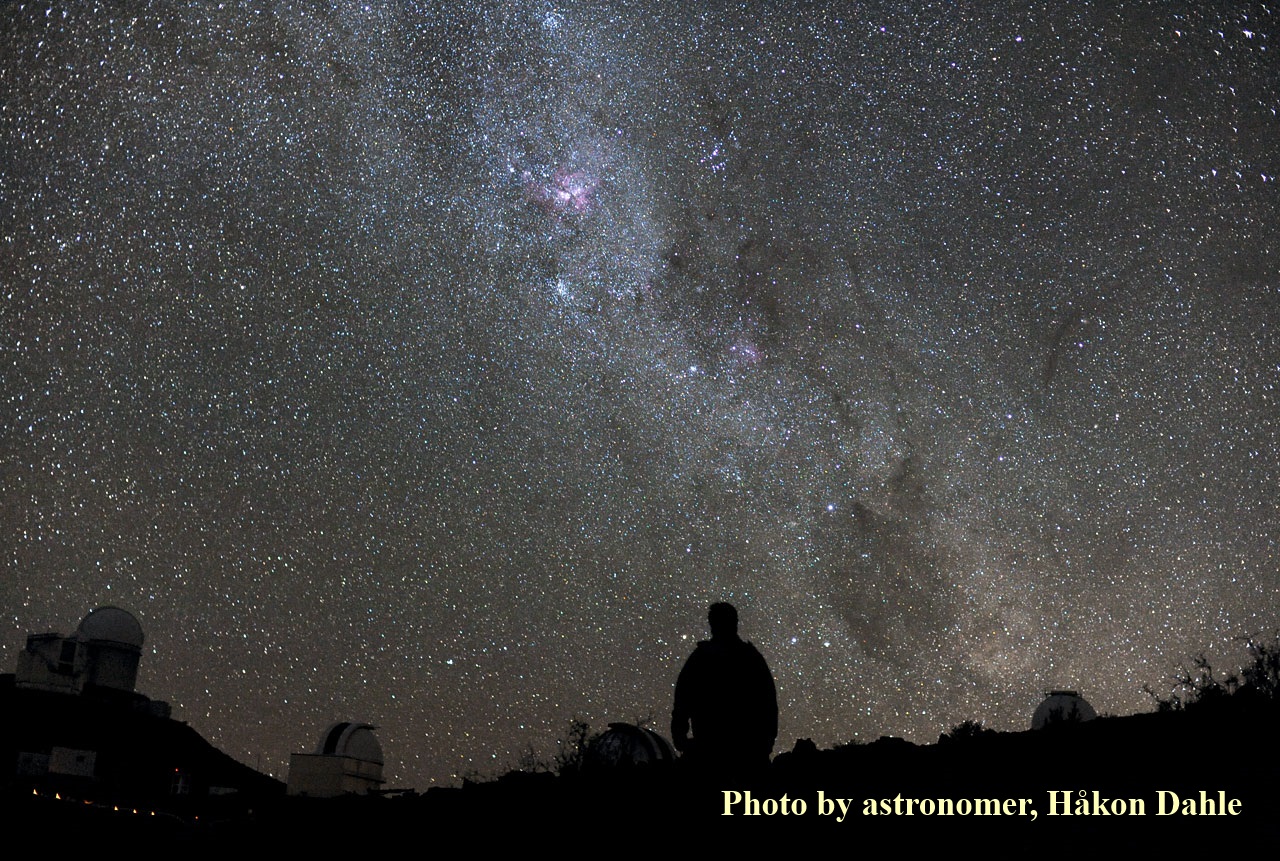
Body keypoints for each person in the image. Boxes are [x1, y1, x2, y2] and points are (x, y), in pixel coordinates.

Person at [671, 602, 778, 774]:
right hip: (746, 752)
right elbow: (769, 704)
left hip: (715, 751)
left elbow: (682, 701)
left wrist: (681, 739)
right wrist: (766, 742)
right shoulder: (751, 658)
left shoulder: (700, 659)